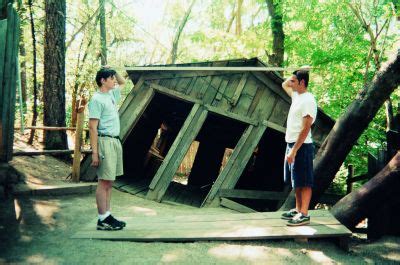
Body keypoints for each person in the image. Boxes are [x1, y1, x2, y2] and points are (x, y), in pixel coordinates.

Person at [88, 66, 126, 230]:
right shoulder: (96, 99)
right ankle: (102, 218)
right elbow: (92, 127)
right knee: (103, 182)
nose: (114, 80)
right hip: (104, 142)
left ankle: (107, 215)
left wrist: (111, 70)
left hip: (114, 141)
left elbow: (123, 82)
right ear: (103, 81)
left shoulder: (110, 95)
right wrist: (95, 153)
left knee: (109, 182)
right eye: (111, 78)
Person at [280, 69, 317, 226]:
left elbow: (306, 128)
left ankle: (304, 214)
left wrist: (294, 150)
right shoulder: (296, 96)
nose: (291, 83)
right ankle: (297, 209)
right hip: (291, 144)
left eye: (294, 81)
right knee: (296, 181)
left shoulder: (308, 100)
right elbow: (284, 84)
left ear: (302, 83)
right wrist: (299, 70)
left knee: (305, 181)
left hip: (302, 146)